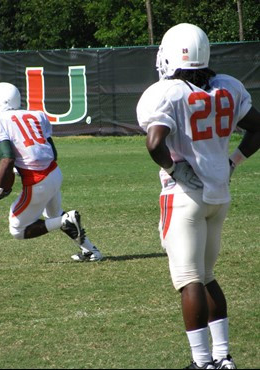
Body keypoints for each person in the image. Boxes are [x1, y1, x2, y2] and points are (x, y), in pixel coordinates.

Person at [137, 23, 260, 369]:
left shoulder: (167, 92)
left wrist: (176, 170)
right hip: (218, 195)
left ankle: (202, 362)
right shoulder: (228, 87)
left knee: (188, 279)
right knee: (206, 275)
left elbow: (155, 143)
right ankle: (223, 357)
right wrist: (233, 161)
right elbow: (257, 126)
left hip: (184, 196)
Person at [0, 82, 103, 262]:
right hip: (54, 172)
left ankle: (66, 221)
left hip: (38, 180)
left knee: (17, 229)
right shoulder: (36, 115)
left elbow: (7, 157)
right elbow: (52, 153)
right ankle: (91, 251)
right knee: (54, 215)